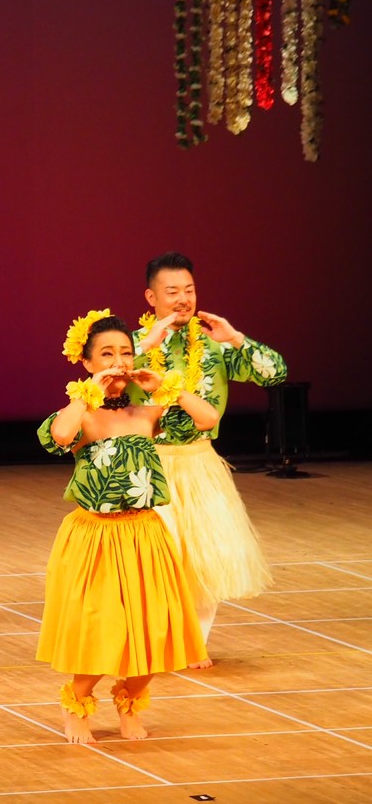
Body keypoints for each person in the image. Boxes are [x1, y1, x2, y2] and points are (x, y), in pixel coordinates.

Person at [37, 311, 218, 743]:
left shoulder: (147, 414)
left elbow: (207, 419)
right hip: (95, 536)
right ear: (86, 362)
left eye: (124, 352)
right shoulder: (82, 417)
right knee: (102, 629)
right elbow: (58, 436)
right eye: (106, 354)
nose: (118, 362)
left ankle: (130, 701)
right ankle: (76, 705)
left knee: (155, 631)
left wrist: (165, 388)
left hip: (145, 534)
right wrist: (87, 394)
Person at [129, 252, 286, 667]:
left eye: (190, 290)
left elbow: (275, 374)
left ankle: (194, 642)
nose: (183, 299)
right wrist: (143, 346)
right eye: (172, 292)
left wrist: (236, 338)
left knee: (204, 558)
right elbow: (98, 374)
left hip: (200, 462)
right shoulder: (132, 347)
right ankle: (154, 639)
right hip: (149, 464)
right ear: (151, 297)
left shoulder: (215, 347)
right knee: (156, 556)